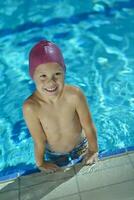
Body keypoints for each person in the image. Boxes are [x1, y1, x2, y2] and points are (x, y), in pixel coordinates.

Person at [23, 40, 98, 173]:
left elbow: (88, 126)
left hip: (81, 146)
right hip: (54, 154)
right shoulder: (31, 107)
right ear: (32, 76)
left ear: (64, 72)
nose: (50, 82)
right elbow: (39, 141)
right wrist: (41, 163)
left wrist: (93, 150)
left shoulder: (75, 95)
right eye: (43, 76)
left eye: (57, 74)